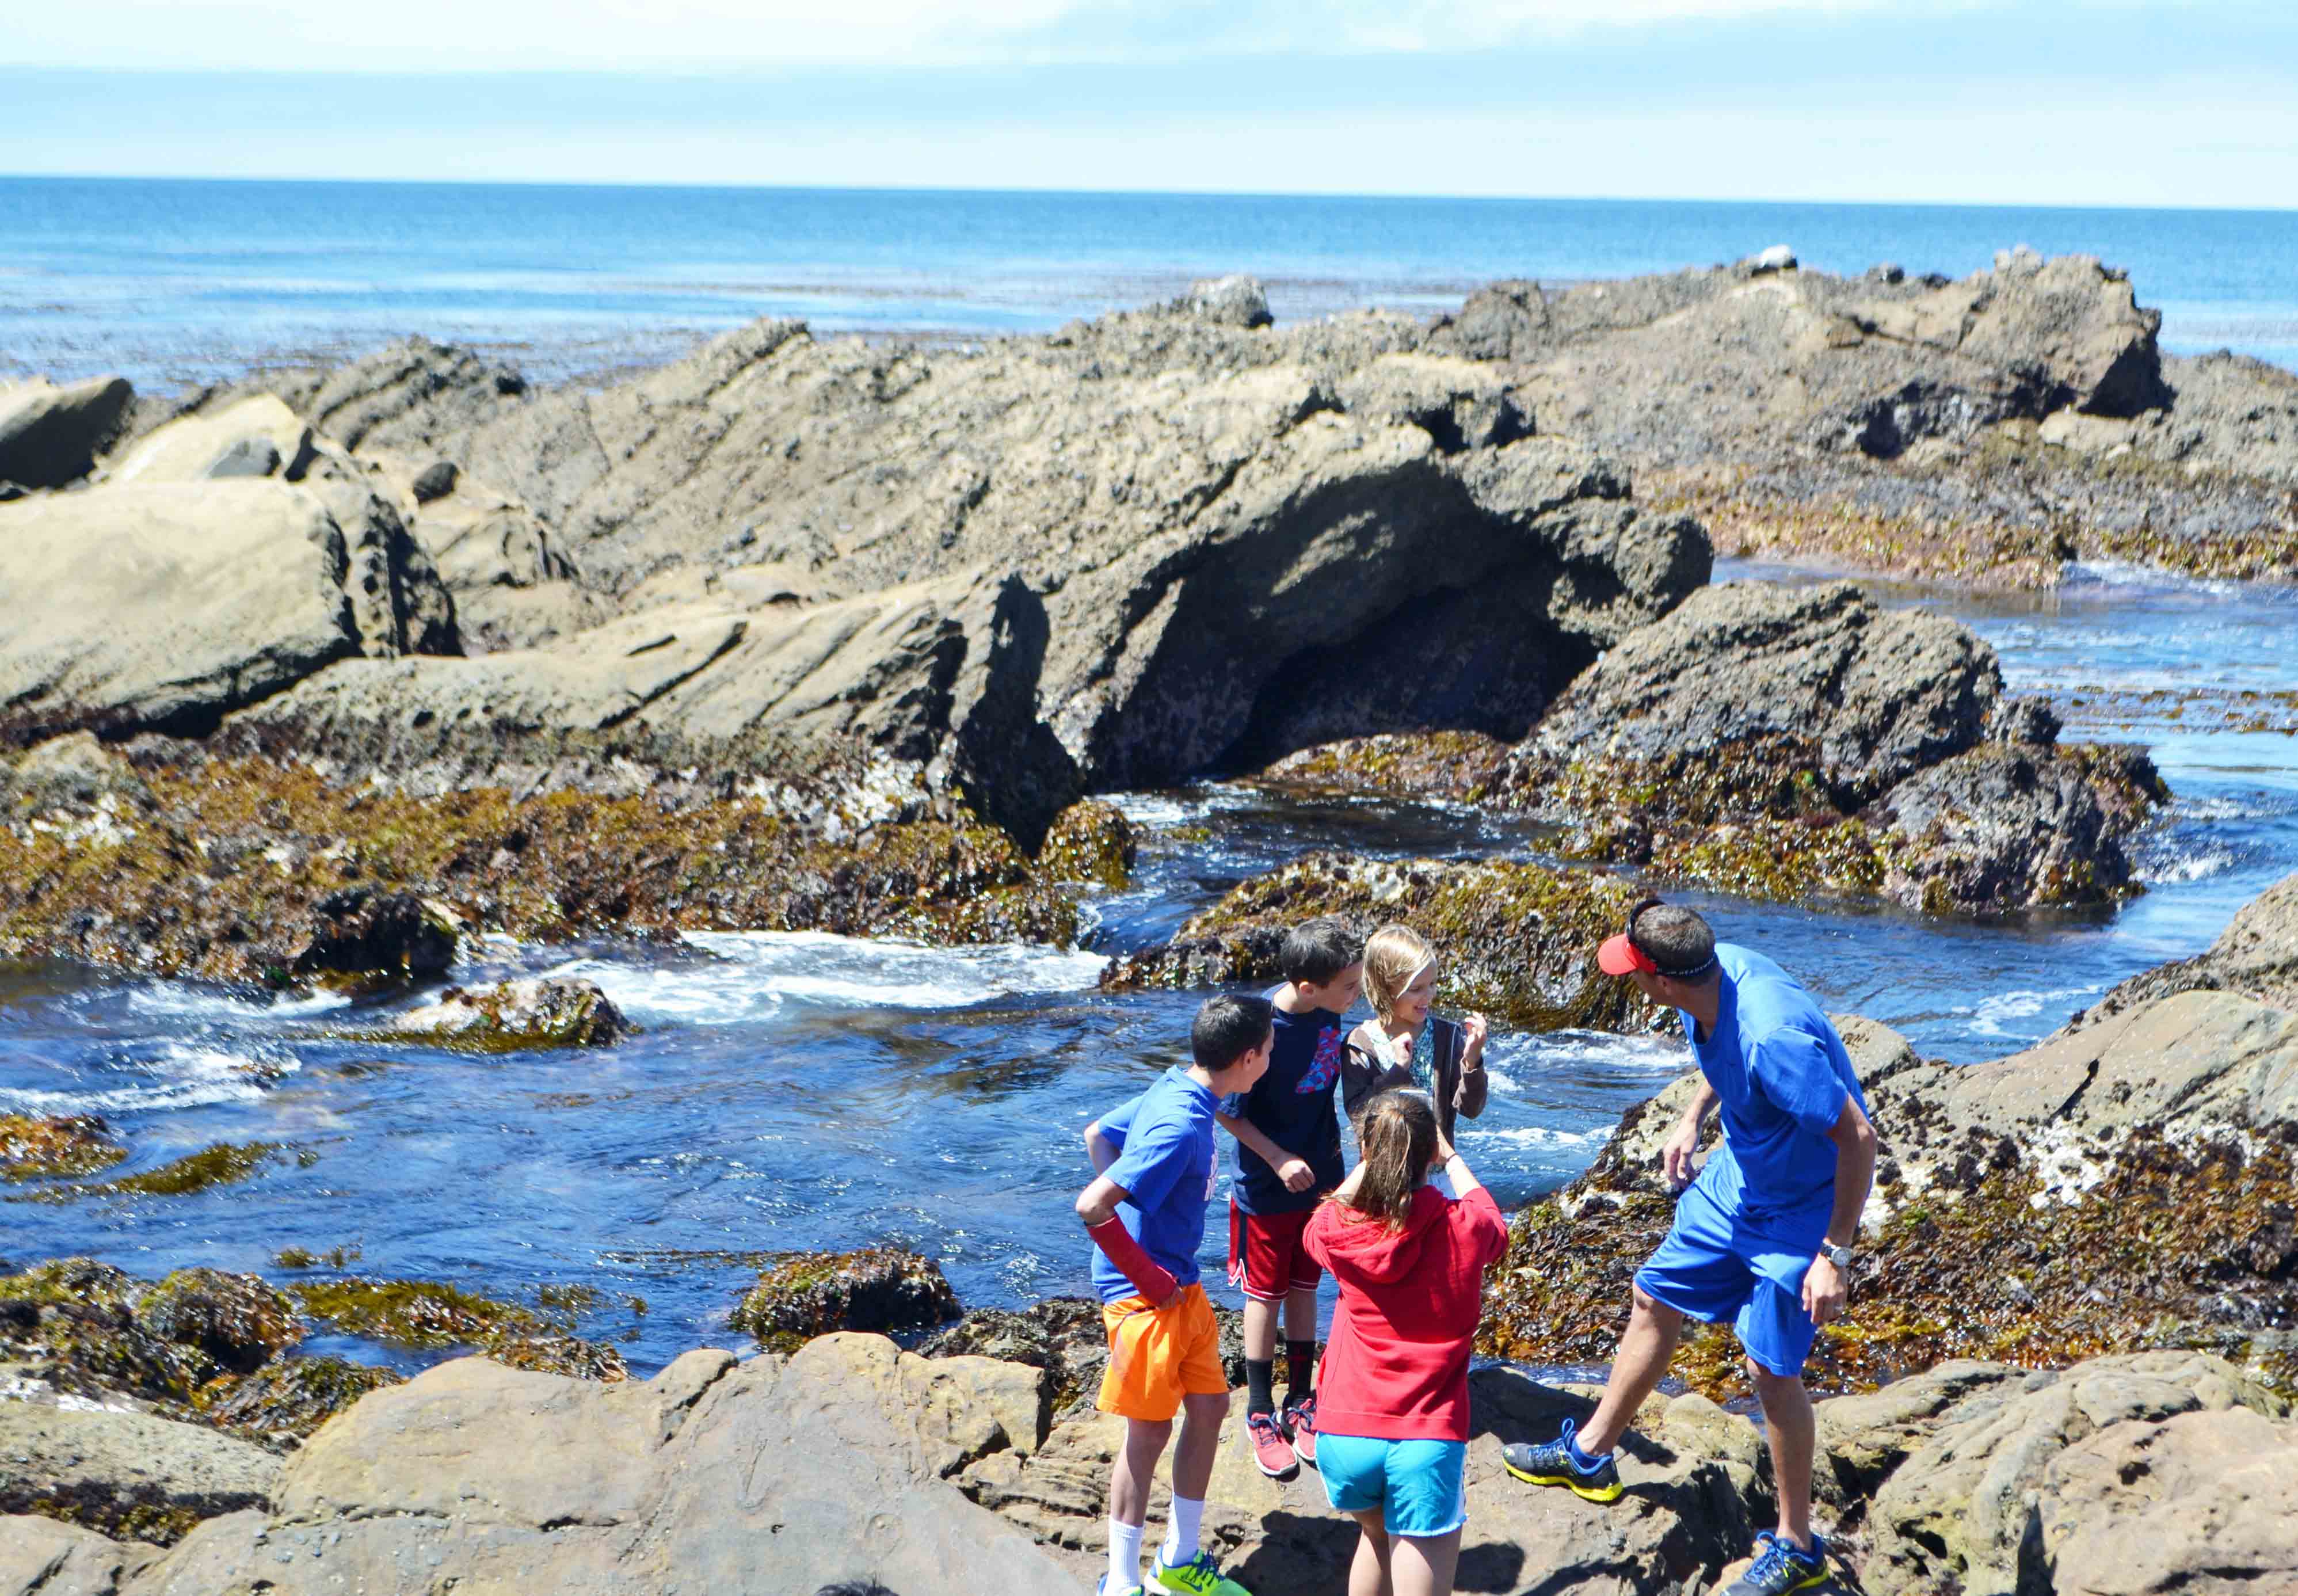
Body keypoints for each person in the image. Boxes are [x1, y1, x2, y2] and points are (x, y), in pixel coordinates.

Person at [1501, 900, 1877, 1596]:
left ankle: (1797, 1547)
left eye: (1633, 972)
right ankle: (1591, 1454)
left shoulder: (1775, 1040)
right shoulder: (1711, 975)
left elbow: (1857, 1137)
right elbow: (1721, 1040)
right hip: (1740, 1177)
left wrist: (1836, 1253)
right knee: (1653, 1293)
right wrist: (1692, 1114)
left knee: (1772, 1370)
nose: (1630, 980)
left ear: (1663, 980)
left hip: (1802, 1210)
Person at [1078, 992, 1274, 1596]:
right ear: (1246, 1059)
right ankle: (1121, 1579)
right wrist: (1146, 1272)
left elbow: (1097, 1136)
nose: (1272, 1056)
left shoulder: (1180, 1086)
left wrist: (1157, 1245)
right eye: (1269, 1049)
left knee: (1211, 1407)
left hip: (1178, 1286)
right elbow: (1092, 1205)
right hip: (1146, 1297)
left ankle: (1180, 1560)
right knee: (1149, 1434)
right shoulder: (1181, 1124)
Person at [1304, 1091, 1508, 1596]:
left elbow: (1319, 1221)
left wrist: (1373, 1158)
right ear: (1431, 1155)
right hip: (1424, 1437)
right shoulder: (1466, 1226)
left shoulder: (1340, 1229)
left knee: (1376, 1540)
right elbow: (1495, 1224)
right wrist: (1453, 1156)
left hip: (1343, 1437)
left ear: (1366, 1148)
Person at [1213, 918, 1362, 1479]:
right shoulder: (1255, 1027)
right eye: (1349, 987)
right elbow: (1228, 1110)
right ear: (1307, 985)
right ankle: (1257, 1408)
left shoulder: (1329, 1011)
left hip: (1322, 1175)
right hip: (1267, 1184)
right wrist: (1276, 1158)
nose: (1357, 996)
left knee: (1307, 1283)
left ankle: (1302, 1397)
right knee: (1265, 1292)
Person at [1342, 924, 1490, 1148]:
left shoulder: (1447, 1037)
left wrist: (1472, 1061)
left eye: (1432, 984)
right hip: (1384, 1175)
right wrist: (1398, 1070)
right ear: (1385, 988)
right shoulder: (1360, 1044)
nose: (1429, 995)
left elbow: (1471, 1109)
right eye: (1416, 989)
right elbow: (1360, 1117)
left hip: (1437, 1171)